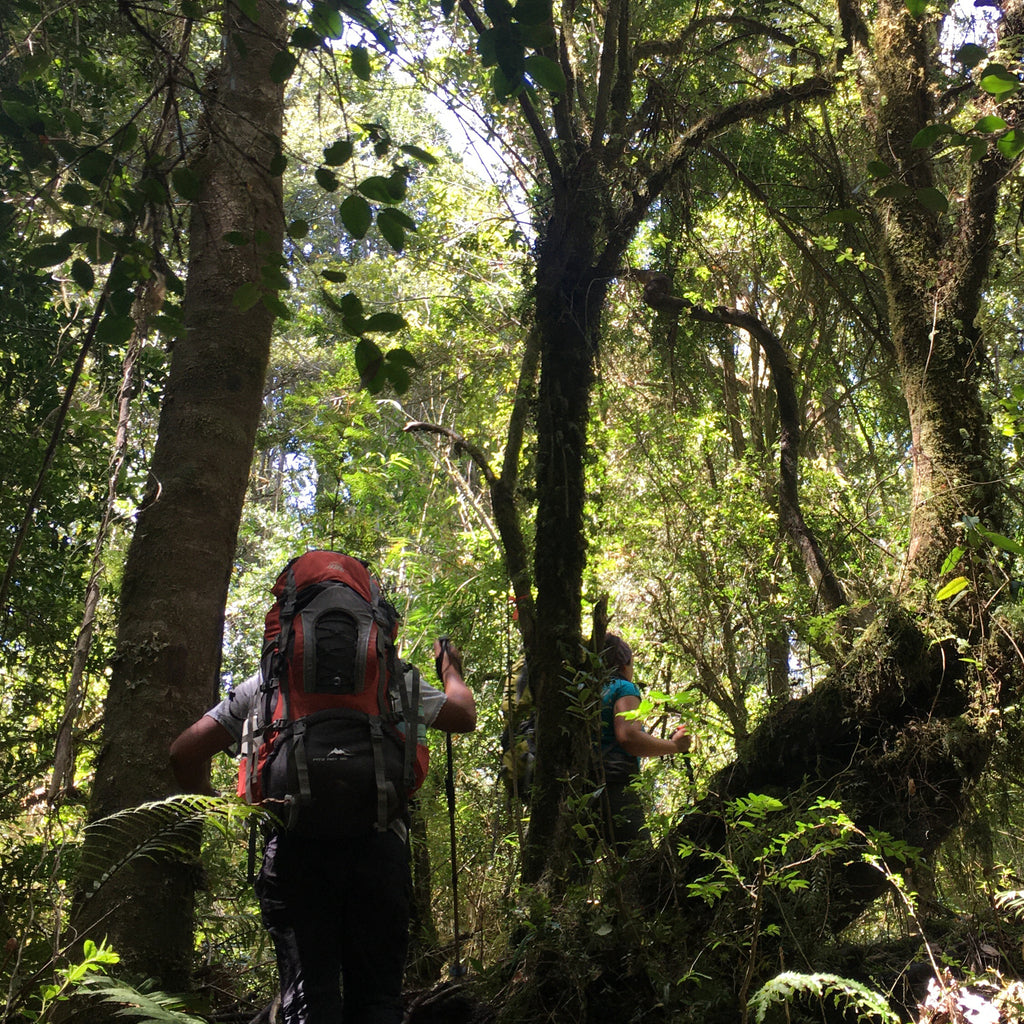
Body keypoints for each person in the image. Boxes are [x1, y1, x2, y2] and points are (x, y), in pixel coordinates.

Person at [169, 636, 475, 1024]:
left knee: (309, 1001)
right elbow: (464, 716)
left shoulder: (267, 682)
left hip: (295, 853)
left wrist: (218, 804)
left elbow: (182, 753)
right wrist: (449, 667)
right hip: (379, 851)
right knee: (378, 999)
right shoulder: (394, 679)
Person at [596, 632, 691, 856]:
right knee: (640, 867)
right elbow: (628, 736)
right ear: (625, 662)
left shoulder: (589, 692)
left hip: (581, 790)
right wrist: (675, 746)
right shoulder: (623, 688)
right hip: (616, 787)